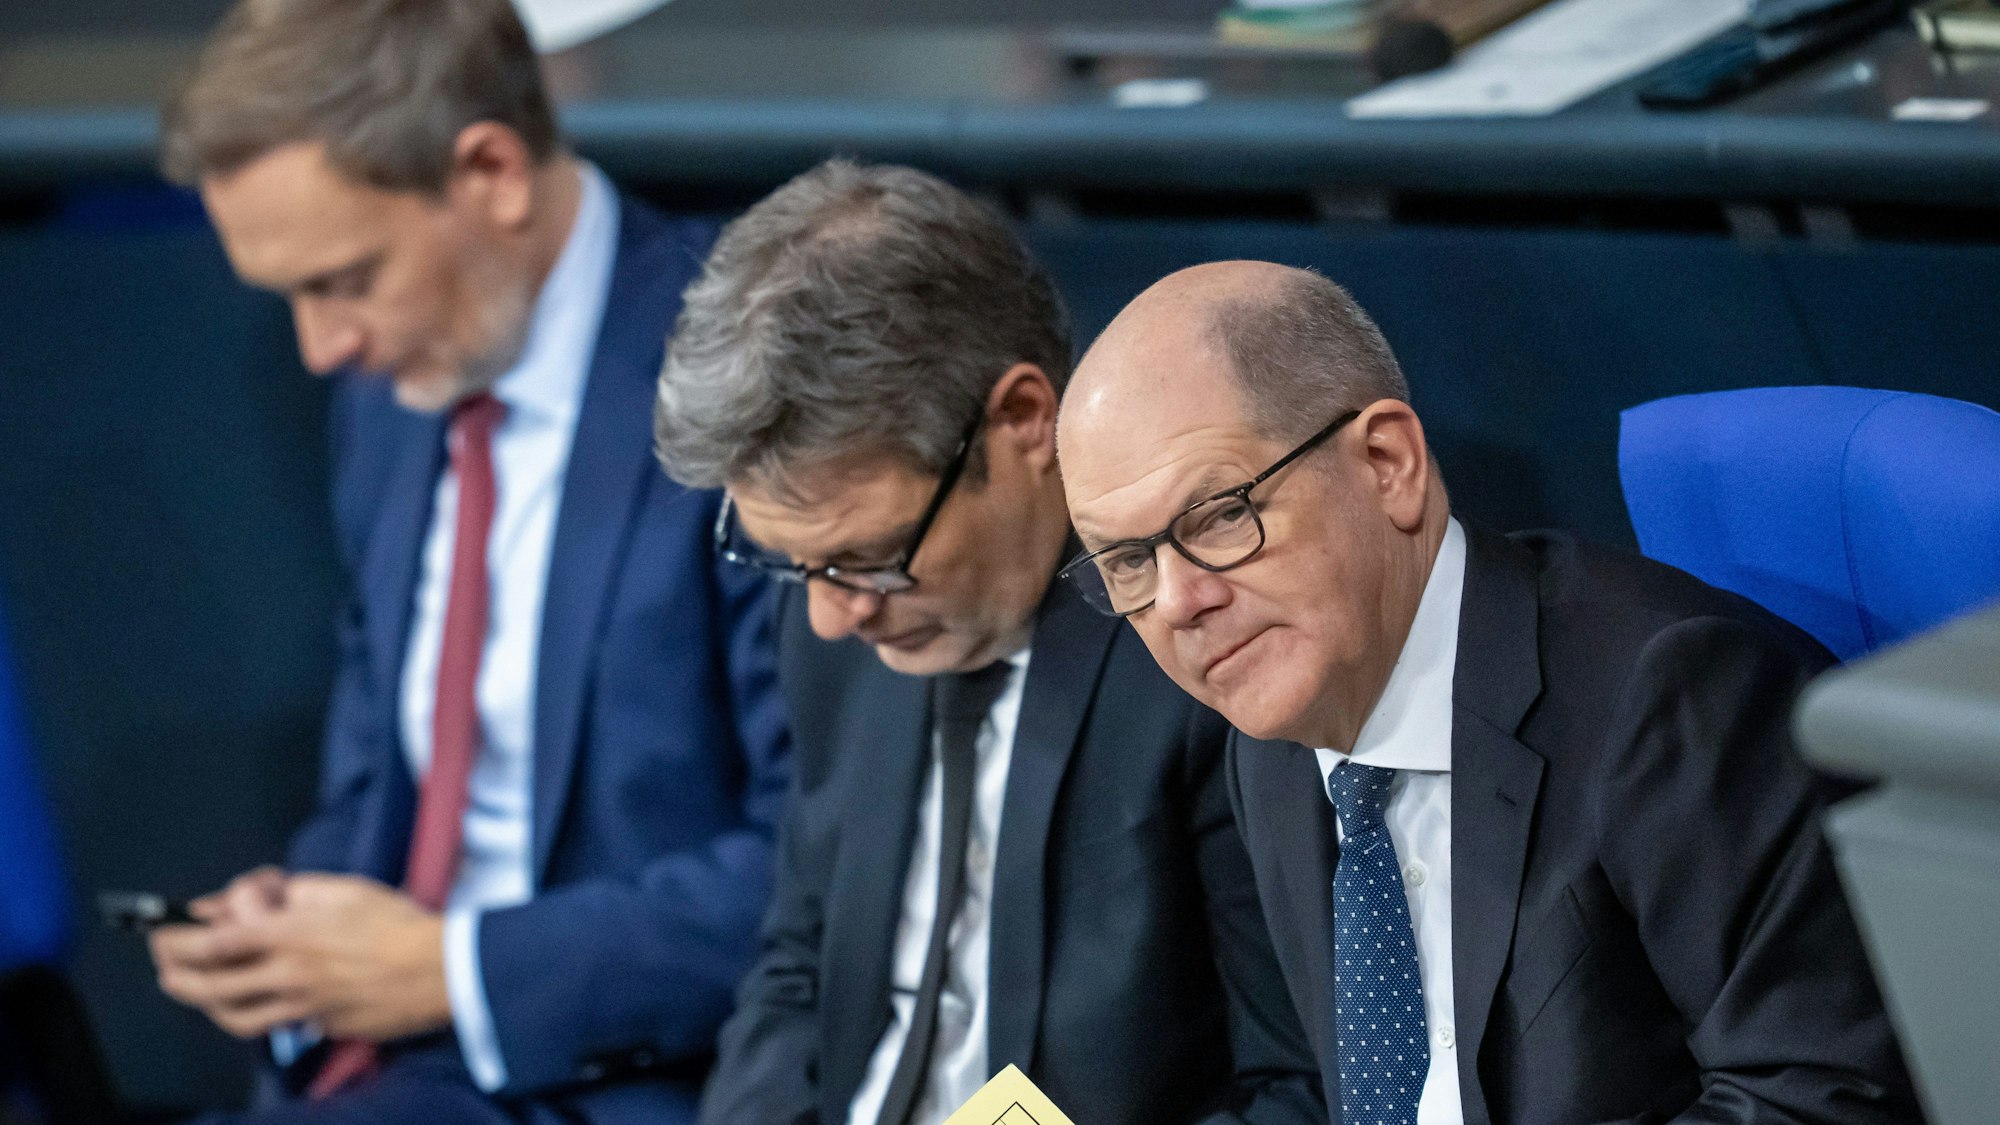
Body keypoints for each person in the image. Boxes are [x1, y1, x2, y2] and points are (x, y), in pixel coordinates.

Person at [1054, 260, 1924, 1125]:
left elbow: (1821, 1096)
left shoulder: (1669, 696)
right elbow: (1325, 1090)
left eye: (1217, 516)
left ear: (1388, 463)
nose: (1178, 601)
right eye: (1129, 561)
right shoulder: (1269, 743)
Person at [145, 1, 789, 1121]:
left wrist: (449, 969)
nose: (322, 347)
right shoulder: (395, 397)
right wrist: (297, 932)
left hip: (635, 1072)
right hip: (387, 1070)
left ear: (489, 171)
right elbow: (372, 774)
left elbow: (825, 866)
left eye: (343, 278)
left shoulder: (751, 378)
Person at [653, 161, 1321, 1125]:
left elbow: (1299, 1088)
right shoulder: (832, 610)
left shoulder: (1206, 651)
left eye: (871, 557)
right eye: (794, 565)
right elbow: (800, 968)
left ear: (1022, 419)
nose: (835, 616)